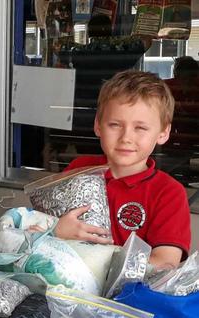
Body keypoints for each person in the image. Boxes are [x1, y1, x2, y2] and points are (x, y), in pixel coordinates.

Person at [54, 70, 191, 269]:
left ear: (163, 132)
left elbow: (165, 262)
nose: (126, 137)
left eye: (140, 128)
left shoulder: (168, 193)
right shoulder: (78, 169)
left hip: (126, 299)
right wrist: (54, 230)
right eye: (115, 125)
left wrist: (101, 264)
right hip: (63, 287)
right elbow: (38, 228)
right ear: (98, 125)